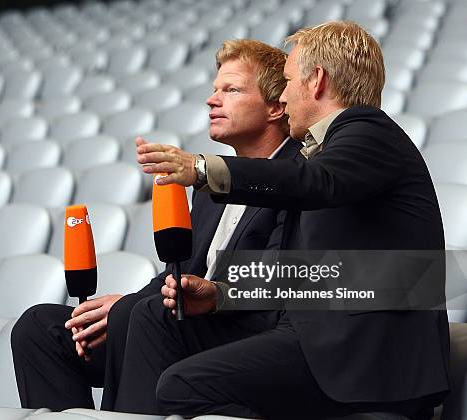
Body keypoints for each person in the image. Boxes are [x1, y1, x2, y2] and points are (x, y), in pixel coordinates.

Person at [131, 21, 449, 419]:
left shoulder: (367, 130)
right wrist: (222, 294)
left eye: (286, 80)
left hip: (366, 359)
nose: (282, 94)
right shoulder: (328, 152)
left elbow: (315, 184)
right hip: (319, 341)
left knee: (181, 385)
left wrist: (200, 167)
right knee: (158, 328)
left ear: (316, 81)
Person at [10, 39, 302, 412]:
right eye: (214, 90)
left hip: (243, 333)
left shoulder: (298, 178)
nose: (212, 101)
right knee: (41, 328)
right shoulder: (209, 187)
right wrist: (119, 305)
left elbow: (281, 279)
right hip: (179, 322)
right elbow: (178, 273)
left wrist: (136, 308)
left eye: (231, 90)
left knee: (145, 316)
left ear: (277, 107)